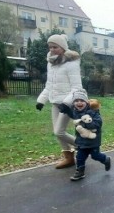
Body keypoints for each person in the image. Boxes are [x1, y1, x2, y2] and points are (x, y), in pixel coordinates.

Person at [36, 34, 84, 169]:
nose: (52, 49)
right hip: (55, 103)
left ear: (63, 47)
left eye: (55, 47)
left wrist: (66, 103)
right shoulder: (50, 63)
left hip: (68, 105)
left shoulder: (71, 64)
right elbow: (49, 85)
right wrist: (41, 100)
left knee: (59, 132)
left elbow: (77, 88)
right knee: (57, 133)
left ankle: (84, 146)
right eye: (50, 47)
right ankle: (69, 158)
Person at [59, 93, 111, 181]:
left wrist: (86, 123)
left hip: (93, 141)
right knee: (79, 157)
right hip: (81, 140)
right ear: (73, 103)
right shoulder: (75, 111)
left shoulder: (93, 112)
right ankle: (80, 172)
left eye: (81, 101)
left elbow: (98, 124)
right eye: (76, 101)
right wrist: (66, 110)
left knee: (95, 156)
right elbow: (72, 115)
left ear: (87, 102)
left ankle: (106, 159)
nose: (79, 103)